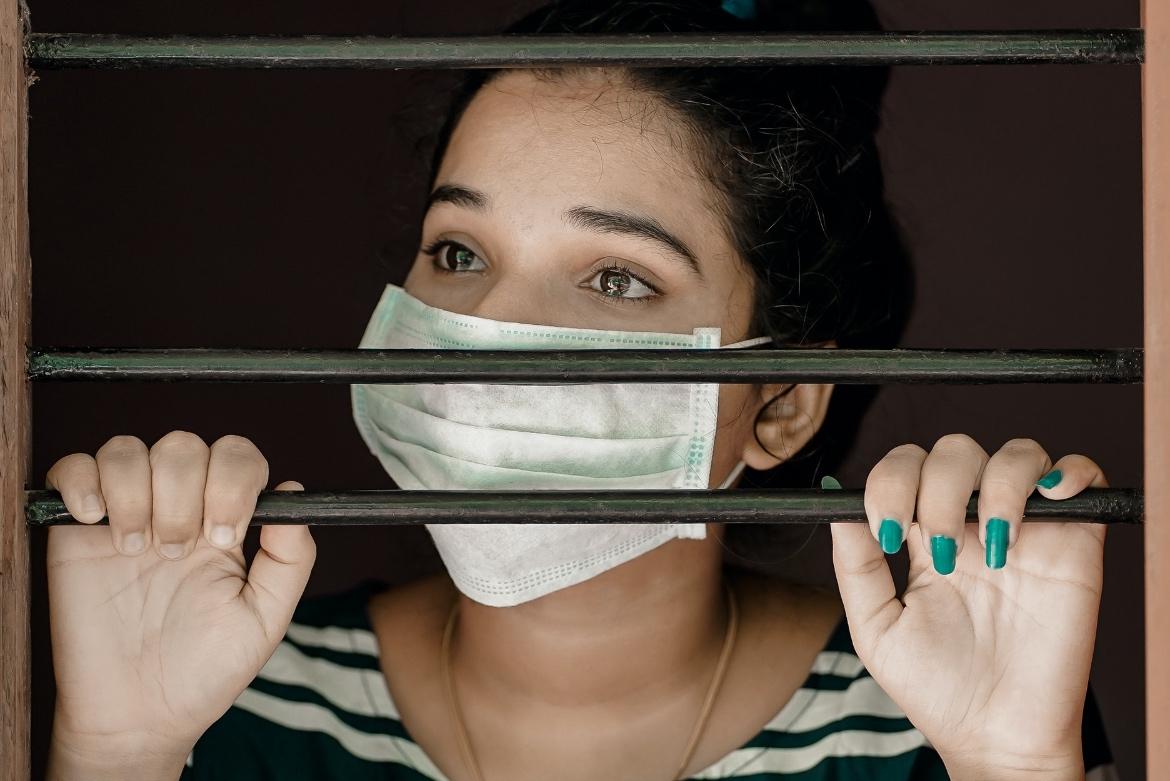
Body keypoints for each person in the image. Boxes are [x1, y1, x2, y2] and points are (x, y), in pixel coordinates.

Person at [43, 0, 1120, 779]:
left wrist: (1013, 763)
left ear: (783, 400)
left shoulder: (925, 726)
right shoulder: (220, 696)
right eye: (458, 253)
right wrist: (118, 752)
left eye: (616, 277)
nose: (487, 331)